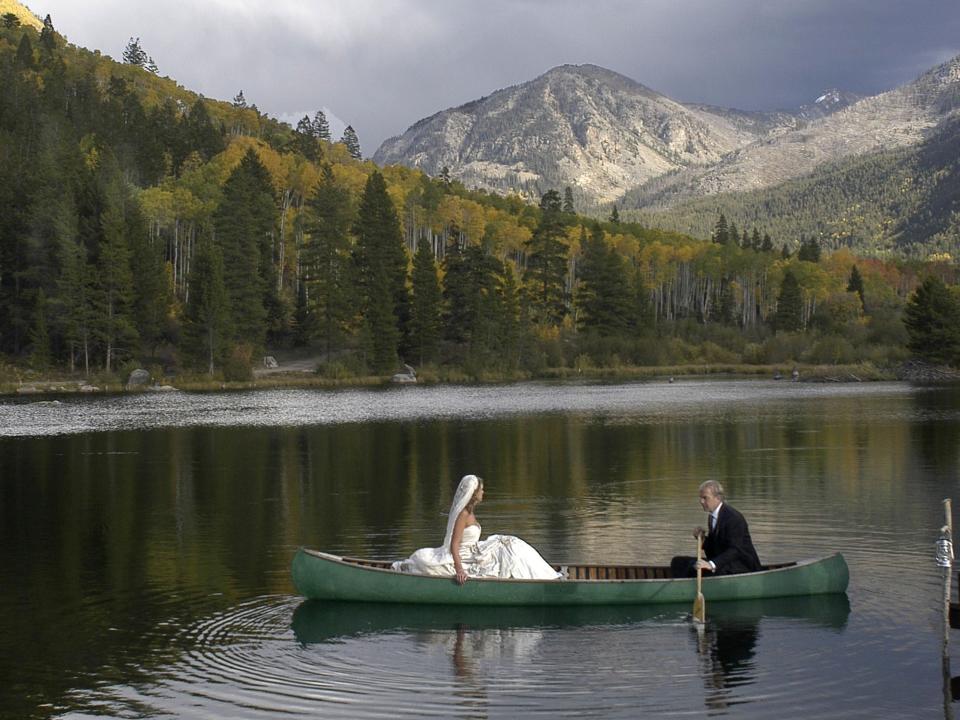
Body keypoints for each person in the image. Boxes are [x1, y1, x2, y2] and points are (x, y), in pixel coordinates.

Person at [392, 474, 562, 583]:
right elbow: (454, 544)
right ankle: (544, 578)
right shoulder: (463, 515)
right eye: (481, 490)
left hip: (476, 550)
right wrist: (459, 569)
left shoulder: (470, 512)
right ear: (473, 494)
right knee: (510, 550)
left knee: (512, 544)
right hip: (466, 556)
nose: (483, 492)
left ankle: (544, 574)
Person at [670, 480, 761, 578]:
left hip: (741, 566)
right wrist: (703, 539)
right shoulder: (712, 516)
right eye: (700, 498)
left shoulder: (733, 518)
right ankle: (682, 588)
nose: (701, 501)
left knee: (693, 569)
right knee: (678, 562)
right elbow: (715, 548)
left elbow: (735, 550)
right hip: (725, 563)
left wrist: (711, 564)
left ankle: (684, 588)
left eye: (705, 498)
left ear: (718, 498)